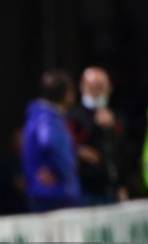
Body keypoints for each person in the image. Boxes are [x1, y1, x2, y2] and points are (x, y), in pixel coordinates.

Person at [21, 70, 81, 212]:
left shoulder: (40, 116)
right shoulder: (47, 118)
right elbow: (49, 142)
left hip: (47, 194)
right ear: (65, 93)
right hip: (55, 195)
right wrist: (63, 172)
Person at [68, 67, 127, 205]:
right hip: (84, 190)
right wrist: (79, 150)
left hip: (112, 190)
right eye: (92, 86)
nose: (96, 91)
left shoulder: (116, 118)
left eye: (101, 86)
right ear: (82, 87)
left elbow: (123, 152)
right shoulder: (73, 116)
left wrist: (121, 184)